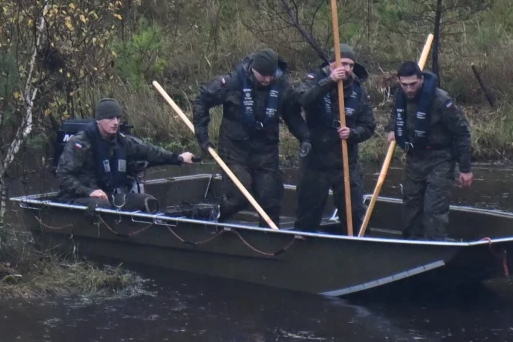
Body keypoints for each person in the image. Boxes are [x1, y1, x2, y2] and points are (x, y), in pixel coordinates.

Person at [193, 49, 310, 226]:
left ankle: (269, 238)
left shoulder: (282, 87)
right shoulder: (233, 82)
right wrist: (202, 135)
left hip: (266, 152)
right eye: (263, 75)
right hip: (235, 150)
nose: (267, 79)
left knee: (271, 199)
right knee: (239, 196)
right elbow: (202, 100)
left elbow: (292, 116)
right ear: (254, 69)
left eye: (271, 75)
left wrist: (305, 137)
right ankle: (213, 216)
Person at [385, 61, 473, 240]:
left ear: (421, 80)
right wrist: (392, 129)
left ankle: (435, 245)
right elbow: (396, 114)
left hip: (440, 159)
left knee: (433, 210)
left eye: (413, 84)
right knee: (410, 205)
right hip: (415, 158)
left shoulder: (441, 100)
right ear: (399, 82)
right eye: (404, 85)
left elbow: (462, 133)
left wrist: (465, 169)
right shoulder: (400, 95)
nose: (409, 89)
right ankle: (411, 245)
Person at [55, 98, 194, 210]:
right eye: (110, 118)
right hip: (79, 197)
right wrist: (89, 192)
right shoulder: (80, 143)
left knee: (147, 201)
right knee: (101, 206)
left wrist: (179, 158)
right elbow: (63, 176)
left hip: (108, 196)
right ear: (99, 120)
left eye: (118, 118)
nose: (115, 122)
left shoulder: (121, 141)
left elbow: (149, 151)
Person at [294, 45, 376, 232]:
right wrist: (330, 81)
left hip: (346, 161)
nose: (347, 69)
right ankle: (304, 241)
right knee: (308, 213)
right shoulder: (314, 79)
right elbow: (304, 100)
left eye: (351, 65)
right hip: (317, 160)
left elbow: (369, 126)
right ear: (331, 63)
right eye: (343, 64)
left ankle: (356, 243)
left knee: (354, 213)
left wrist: (353, 133)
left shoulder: (358, 90)